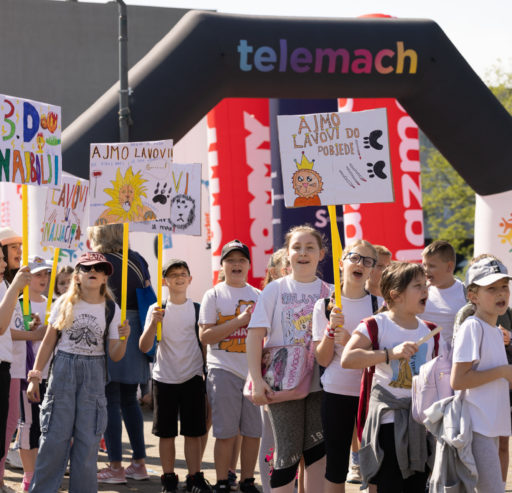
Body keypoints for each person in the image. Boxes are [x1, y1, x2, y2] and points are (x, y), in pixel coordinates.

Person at [26, 252, 130, 492]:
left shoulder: (112, 309)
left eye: (99, 268)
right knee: (53, 439)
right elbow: (49, 342)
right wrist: (35, 376)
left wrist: (125, 338)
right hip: (63, 371)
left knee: (88, 442)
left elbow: (115, 355)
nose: (93, 271)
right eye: (86, 268)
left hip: (94, 373)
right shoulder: (64, 303)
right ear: (77, 276)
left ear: (105, 277)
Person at [247, 225, 332, 493]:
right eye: (297, 247)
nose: (303, 253)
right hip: (281, 386)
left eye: (310, 247)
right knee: (286, 455)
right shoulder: (274, 290)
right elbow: (254, 336)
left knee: (317, 455)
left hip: (321, 385)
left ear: (322, 253)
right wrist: (257, 380)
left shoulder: (331, 293)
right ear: (287, 253)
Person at [341, 262, 435, 492]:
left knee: (417, 486)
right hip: (388, 423)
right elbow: (348, 358)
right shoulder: (376, 324)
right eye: (417, 286)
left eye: (426, 285)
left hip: (420, 424)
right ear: (396, 295)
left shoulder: (430, 330)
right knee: (389, 485)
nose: (425, 290)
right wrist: (389, 354)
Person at [140, 258, 211, 493]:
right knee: (166, 433)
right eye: (173, 274)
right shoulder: (156, 308)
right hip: (164, 378)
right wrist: (153, 324)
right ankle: (168, 478)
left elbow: (203, 344)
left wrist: (205, 373)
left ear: (190, 279)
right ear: (164, 281)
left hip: (192, 377)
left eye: (183, 273)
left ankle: (194, 477)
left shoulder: (197, 309)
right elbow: (144, 346)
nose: (179, 277)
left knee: (194, 432)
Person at [313, 240, 378, 493]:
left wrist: (351, 341)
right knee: (336, 465)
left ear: (372, 270)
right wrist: (330, 331)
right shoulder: (325, 305)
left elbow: (379, 357)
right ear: (342, 263)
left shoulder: (378, 307)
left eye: (367, 261)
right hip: (336, 392)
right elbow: (322, 359)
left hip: (371, 395)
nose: (360, 264)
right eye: (354, 258)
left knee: (374, 465)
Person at [89, 224, 151, 484]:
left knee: (111, 398)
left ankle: (115, 466)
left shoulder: (100, 262)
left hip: (111, 326)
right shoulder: (137, 258)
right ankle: (138, 463)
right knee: (129, 399)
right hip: (137, 329)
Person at [199, 239, 261, 493]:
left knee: (253, 432)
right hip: (222, 369)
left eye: (241, 260)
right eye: (230, 260)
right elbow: (206, 336)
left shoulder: (259, 295)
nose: (236, 265)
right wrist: (239, 321)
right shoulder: (213, 294)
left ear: (248, 264)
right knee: (224, 432)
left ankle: (248, 480)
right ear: (222, 265)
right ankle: (222, 481)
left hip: (253, 373)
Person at [451, 256, 512, 493]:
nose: (501, 294)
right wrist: (503, 372)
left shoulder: (495, 332)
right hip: (476, 429)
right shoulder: (472, 327)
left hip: (490, 427)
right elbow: (459, 380)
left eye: (504, 286)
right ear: (472, 296)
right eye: (491, 288)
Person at [0, 228, 40, 492]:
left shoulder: (10, 283)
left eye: (20, 246)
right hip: (7, 361)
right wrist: (32, 333)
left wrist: (30, 325)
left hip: (13, 364)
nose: (18, 252)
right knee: (7, 425)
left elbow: (15, 322)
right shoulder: (9, 284)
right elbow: (4, 326)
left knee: (11, 423)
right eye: (13, 247)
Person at [18, 257, 52, 492]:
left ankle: (44, 472)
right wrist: (29, 331)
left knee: (50, 427)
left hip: (52, 373)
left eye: (46, 274)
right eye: (38, 274)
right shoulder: (17, 303)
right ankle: (29, 475)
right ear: (27, 277)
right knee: (29, 424)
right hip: (25, 373)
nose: (43, 279)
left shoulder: (55, 304)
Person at [420, 240, 466, 350]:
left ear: (449, 267)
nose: (426, 270)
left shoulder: (466, 294)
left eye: (431, 266)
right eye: (424, 265)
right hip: (423, 361)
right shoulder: (418, 291)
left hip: (453, 362)